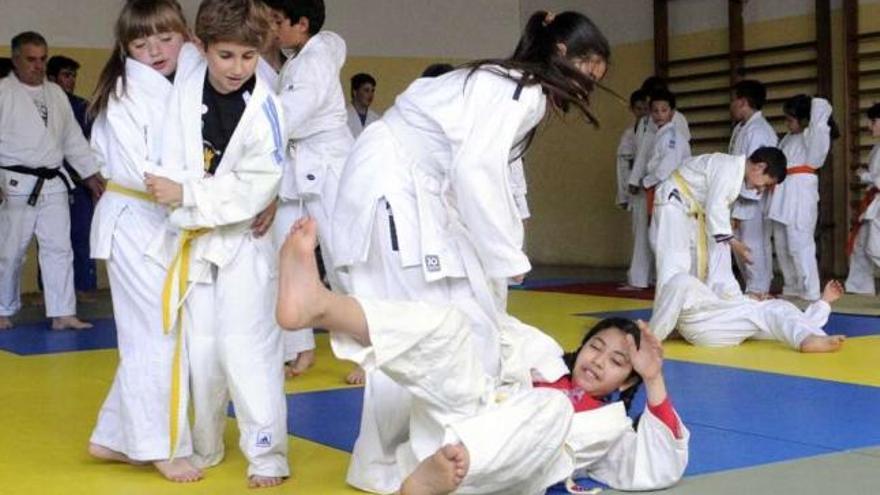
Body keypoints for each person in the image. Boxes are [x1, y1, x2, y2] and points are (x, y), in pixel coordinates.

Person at [331, 10, 610, 493]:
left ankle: (394, 460)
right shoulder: (519, 92)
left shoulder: (504, 82)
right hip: (396, 191)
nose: (588, 86)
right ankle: (417, 460)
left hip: (406, 191)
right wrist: (508, 257)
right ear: (561, 53)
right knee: (425, 330)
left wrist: (493, 254)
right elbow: (478, 171)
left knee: (439, 324)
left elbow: (471, 172)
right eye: (588, 71)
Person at [277, 217, 689, 494]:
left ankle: (441, 474)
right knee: (451, 327)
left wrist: (653, 378)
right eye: (596, 346)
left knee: (552, 408)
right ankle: (321, 306)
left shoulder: (611, 428)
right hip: (464, 416)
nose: (597, 360)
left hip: (488, 469)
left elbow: (660, 464)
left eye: (617, 362)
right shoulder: (541, 353)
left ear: (627, 381)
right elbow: (489, 319)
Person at [143, 0, 288, 487]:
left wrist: (188, 194)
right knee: (199, 351)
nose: (237, 69)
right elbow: (161, 32)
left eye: (249, 57)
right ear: (200, 48)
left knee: (248, 349)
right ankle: (205, 442)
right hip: (193, 243)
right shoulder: (184, 75)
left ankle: (267, 454)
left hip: (243, 241)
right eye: (226, 56)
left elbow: (257, 184)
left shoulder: (266, 107)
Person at [85, 0, 204, 482]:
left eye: (166, 37)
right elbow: (147, 173)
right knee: (158, 335)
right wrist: (204, 194)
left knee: (150, 333)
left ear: (186, 37)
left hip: (156, 221)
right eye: (140, 43)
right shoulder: (127, 94)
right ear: (125, 48)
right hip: (137, 220)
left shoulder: (181, 73)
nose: (154, 50)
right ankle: (161, 445)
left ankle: (112, 436)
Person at [263, 0, 356, 379]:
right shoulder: (299, 54)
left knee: (343, 263)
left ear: (301, 24)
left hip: (329, 170)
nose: (271, 27)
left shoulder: (314, 62)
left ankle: (371, 355)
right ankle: (299, 348)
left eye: (276, 21)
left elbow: (286, 117)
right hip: (298, 172)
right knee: (286, 255)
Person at [0, 31, 104, 331]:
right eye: (31, 60)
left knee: (60, 249)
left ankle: (62, 312)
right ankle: (3, 309)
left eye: (43, 59)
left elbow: (73, 140)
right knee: (10, 251)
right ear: (16, 60)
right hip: (14, 184)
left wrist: (91, 175)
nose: (38, 66)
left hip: (54, 183)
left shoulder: (56, 94)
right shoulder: (4, 92)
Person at [651, 148, 787, 299]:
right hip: (674, 202)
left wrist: (731, 239)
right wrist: (734, 242)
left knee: (698, 259)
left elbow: (717, 210)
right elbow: (715, 207)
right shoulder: (728, 168)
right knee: (675, 259)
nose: (761, 190)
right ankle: (667, 315)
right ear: (759, 167)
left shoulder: (734, 172)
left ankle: (692, 306)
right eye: (766, 184)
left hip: (688, 209)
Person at [651, 272, 845, 353]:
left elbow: (803, 322)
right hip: (709, 322)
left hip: (710, 327)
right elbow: (801, 322)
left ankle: (654, 334)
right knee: (682, 282)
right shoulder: (758, 309)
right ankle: (656, 333)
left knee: (681, 281)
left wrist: (824, 302)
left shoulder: (764, 311)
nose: (765, 296)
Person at [768, 95, 834, 301]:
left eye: (790, 119)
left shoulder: (813, 135)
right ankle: (791, 285)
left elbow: (818, 149)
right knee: (781, 242)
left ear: (805, 119)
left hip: (801, 192)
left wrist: (817, 109)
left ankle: (810, 290)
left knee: (799, 241)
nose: (787, 123)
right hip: (783, 190)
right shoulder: (788, 138)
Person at [46, 54, 98, 302]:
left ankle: (84, 288)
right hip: (48, 183)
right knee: (51, 242)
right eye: (66, 75)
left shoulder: (83, 107)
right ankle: (50, 292)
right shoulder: (38, 107)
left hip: (79, 183)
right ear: (52, 78)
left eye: (73, 76)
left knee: (82, 235)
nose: (71, 81)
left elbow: (94, 145)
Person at [729, 79, 778, 298]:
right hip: (740, 195)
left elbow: (759, 170)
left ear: (742, 102)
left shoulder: (759, 131)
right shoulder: (743, 128)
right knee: (742, 244)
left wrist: (741, 204)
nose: (732, 105)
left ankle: (758, 289)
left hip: (753, 197)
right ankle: (753, 288)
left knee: (753, 243)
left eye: (734, 100)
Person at [845, 103, 880, 294]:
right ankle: (859, 290)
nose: (870, 126)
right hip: (873, 202)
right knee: (860, 247)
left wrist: (867, 176)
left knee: (875, 248)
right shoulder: (877, 147)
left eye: (874, 121)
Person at [615, 89, 648, 211]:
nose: (643, 113)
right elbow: (622, 167)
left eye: (646, 109)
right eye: (639, 109)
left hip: (652, 187)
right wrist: (622, 196)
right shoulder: (628, 135)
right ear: (632, 109)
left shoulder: (657, 132)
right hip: (635, 190)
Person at [346, 72, 381, 138]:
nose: (370, 95)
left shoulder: (377, 119)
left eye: (372, 91)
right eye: (366, 90)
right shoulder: (342, 117)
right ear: (355, 92)